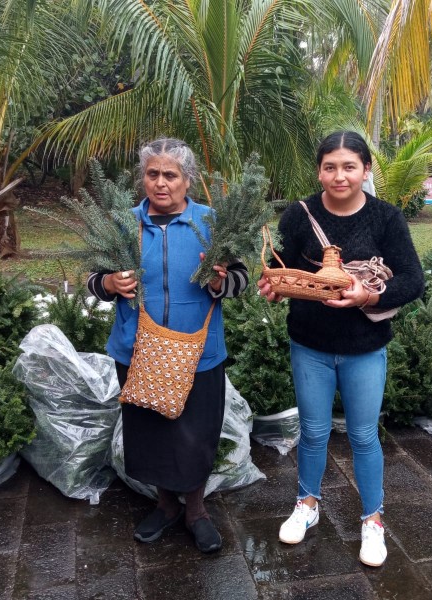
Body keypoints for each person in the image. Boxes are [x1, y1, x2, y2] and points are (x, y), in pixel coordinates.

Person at [257, 131, 425, 567]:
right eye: (330, 166)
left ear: (366, 170)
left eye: (350, 166)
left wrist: (369, 297)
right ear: (319, 170)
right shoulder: (300, 215)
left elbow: (412, 280)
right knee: (313, 432)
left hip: (365, 347)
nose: (339, 175)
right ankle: (306, 506)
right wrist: (274, 287)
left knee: (364, 435)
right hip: (309, 343)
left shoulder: (386, 218)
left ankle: (373, 521)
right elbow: (284, 266)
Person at [87, 138, 248, 553]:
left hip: (199, 353)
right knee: (154, 434)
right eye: (152, 174)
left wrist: (220, 282)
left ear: (187, 181)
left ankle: (196, 511)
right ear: (143, 178)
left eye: (170, 175)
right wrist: (108, 283)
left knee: (196, 435)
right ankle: (165, 506)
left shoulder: (212, 222)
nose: (160, 183)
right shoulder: (124, 225)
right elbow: (93, 278)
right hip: (137, 350)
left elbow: (242, 278)